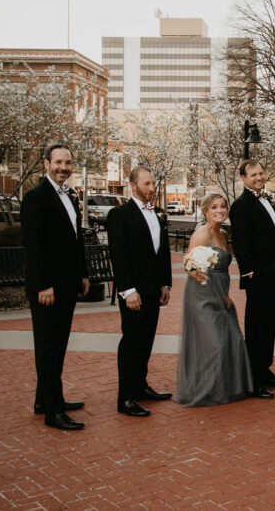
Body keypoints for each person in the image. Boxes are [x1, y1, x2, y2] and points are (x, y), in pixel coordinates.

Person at [21, 143, 90, 430]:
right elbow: (34, 247)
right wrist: (44, 285)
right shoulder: (36, 197)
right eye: (59, 162)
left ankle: (45, 399)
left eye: (68, 163)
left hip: (67, 284)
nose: (64, 167)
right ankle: (53, 411)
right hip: (48, 288)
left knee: (58, 344)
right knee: (49, 347)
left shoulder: (70, 197)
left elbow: (75, 240)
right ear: (46, 163)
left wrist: (83, 274)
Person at [175, 194, 261, 406]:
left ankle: (227, 387)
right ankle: (207, 390)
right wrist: (212, 288)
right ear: (206, 211)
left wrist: (225, 295)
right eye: (214, 207)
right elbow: (190, 266)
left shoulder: (223, 234)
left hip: (221, 294)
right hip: (202, 295)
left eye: (223, 206)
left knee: (232, 339)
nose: (220, 210)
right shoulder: (200, 235)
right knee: (214, 344)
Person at [106, 166, 173, 417]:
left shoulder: (158, 213)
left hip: (154, 289)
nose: (152, 188)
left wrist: (166, 284)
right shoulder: (119, 214)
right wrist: (127, 290)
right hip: (133, 291)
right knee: (132, 342)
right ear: (133, 185)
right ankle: (125, 398)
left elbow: (163, 251)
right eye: (146, 184)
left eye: (154, 183)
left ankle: (141, 385)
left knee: (147, 339)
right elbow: (119, 256)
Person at [228, 160, 275, 391]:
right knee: (256, 327)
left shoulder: (267, 199)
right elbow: (241, 242)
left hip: (273, 274)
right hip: (258, 277)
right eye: (253, 174)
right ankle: (254, 379)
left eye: (261, 173)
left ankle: (265, 368)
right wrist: (249, 272)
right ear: (243, 179)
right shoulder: (241, 204)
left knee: (269, 325)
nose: (259, 177)